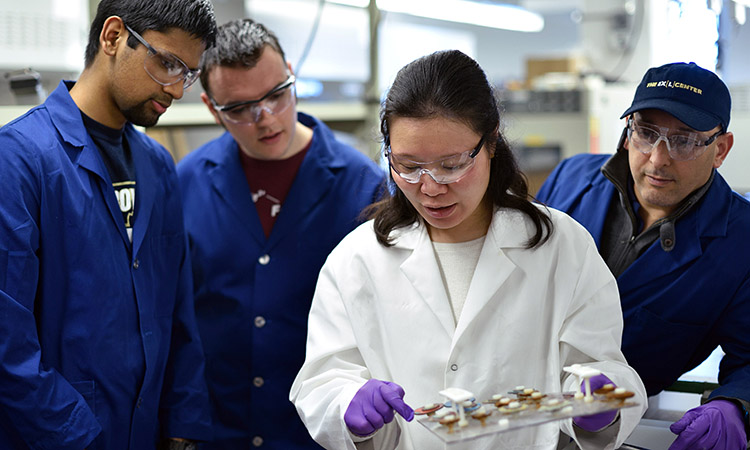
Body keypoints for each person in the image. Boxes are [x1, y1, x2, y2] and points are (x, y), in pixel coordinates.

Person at [289, 49, 646, 450]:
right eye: (407, 165)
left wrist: (603, 401)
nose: (430, 187)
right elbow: (322, 383)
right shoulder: (356, 259)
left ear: (491, 142)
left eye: (452, 163)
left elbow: (604, 371)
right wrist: (347, 405)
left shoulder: (563, 247)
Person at [0, 1, 217, 449]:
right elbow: (8, 343)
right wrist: (78, 437)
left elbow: (179, 311)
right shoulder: (20, 160)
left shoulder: (157, 165)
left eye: (188, 74)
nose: (177, 90)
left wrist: (184, 424)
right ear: (113, 37)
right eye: (168, 64)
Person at [176, 19, 386, 449]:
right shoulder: (186, 183)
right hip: (219, 430)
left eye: (276, 94)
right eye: (240, 108)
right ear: (212, 108)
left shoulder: (362, 186)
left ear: (291, 72)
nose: (266, 118)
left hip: (316, 434)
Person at [536, 62, 750, 449]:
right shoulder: (570, 179)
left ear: (721, 149)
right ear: (626, 133)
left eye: (683, 140)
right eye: (646, 133)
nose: (657, 159)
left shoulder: (742, 241)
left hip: (613, 428)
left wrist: (735, 404)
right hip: (515, 407)